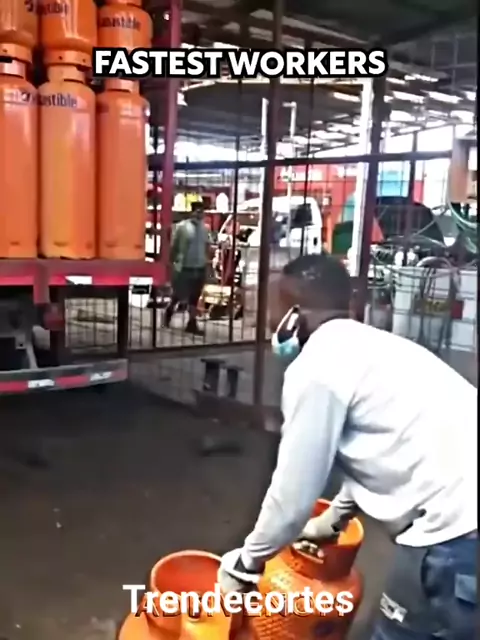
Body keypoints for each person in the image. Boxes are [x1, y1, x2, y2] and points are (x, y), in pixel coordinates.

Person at [218, 253, 477, 640]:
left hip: (457, 535)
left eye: (271, 315)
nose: (269, 326)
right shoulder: (376, 346)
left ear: (294, 317)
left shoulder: (316, 369)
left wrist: (247, 563)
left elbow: (292, 495)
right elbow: (387, 444)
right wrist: (335, 517)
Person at [164, 202, 210, 335]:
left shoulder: (205, 229)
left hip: (199, 267)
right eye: (197, 211)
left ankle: (191, 323)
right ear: (191, 212)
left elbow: (206, 246)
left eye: (201, 211)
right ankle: (169, 311)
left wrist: (207, 262)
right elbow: (174, 246)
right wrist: (171, 262)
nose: (199, 214)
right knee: (178, 294)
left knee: (194, 297)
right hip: (184, 267)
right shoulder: (182, 227)